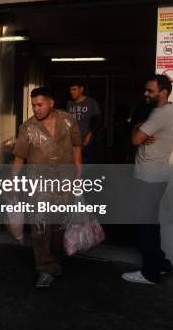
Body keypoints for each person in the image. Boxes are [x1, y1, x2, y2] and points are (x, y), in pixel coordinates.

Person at [12, 87, 82, 288]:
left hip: (65, 184)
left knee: (59, 227)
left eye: (40, 104)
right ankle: (44, 269)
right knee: (40, 229)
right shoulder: (27, 127)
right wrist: (13, 181)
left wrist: (78, 172)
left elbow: (77, 146)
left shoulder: (68, 120)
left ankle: (55, 263)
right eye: (33, 105)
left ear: (51, 103)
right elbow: (19, 157)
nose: (36, 109)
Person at [122, 74, 173, 284]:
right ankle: (162, 264)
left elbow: (135, 138)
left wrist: (137, 128)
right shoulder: (162, 111)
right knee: (150, 224)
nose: (146, 93)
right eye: (145, 89)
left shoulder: (161, 114)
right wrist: (139, 127)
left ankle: (150, 273)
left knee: (143, 226)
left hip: (148, 178)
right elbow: (138, 132)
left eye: (150, 91)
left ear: (163, 92)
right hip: (154, 177)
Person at [67, 80, 102, 163]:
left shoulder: (91, 102)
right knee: (74, 168)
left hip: (87, 142)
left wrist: (90, 133)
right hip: (73, 142)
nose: (71, 92)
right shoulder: (69, 103)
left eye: (74, 89)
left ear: (81, 89)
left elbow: (99, 120)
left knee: (88, 168)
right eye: (70, 90)